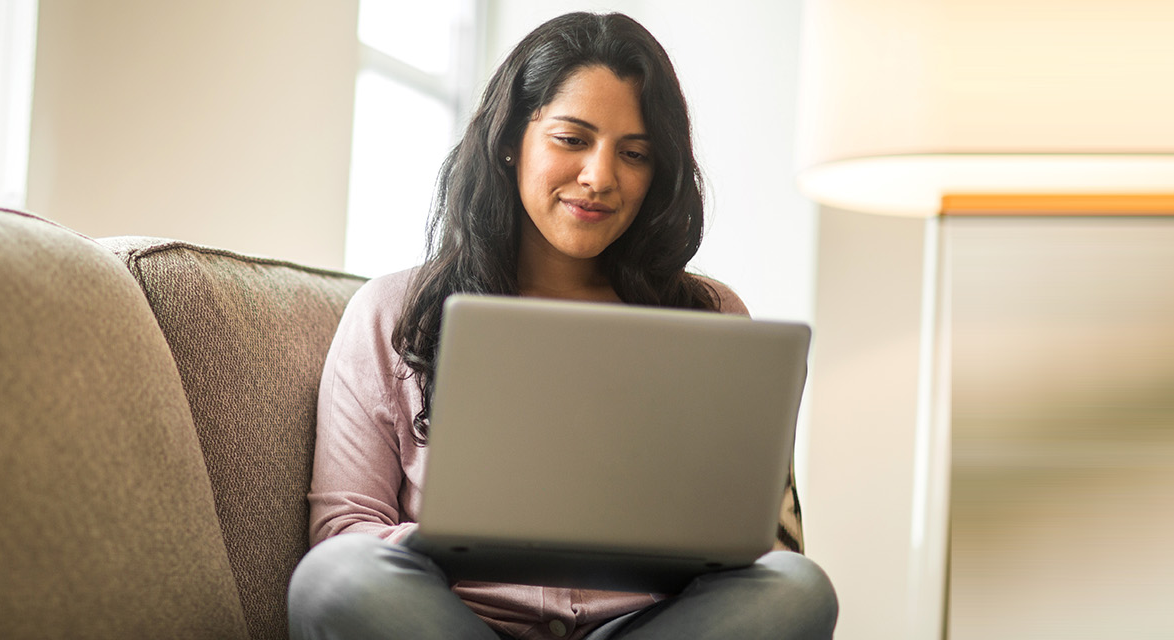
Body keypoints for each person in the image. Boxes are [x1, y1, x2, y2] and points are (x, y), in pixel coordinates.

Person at [288, 12, 837, 640]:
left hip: (643, 626)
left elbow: (761, 542)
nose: (600, 178)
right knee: (334, 577)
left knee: (798, 591)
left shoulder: (709, 318)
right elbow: (345, 528)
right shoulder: (394, 311)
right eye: (572, 139)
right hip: (455, 623)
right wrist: (470, 541)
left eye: (634, 154)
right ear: (510, 139)